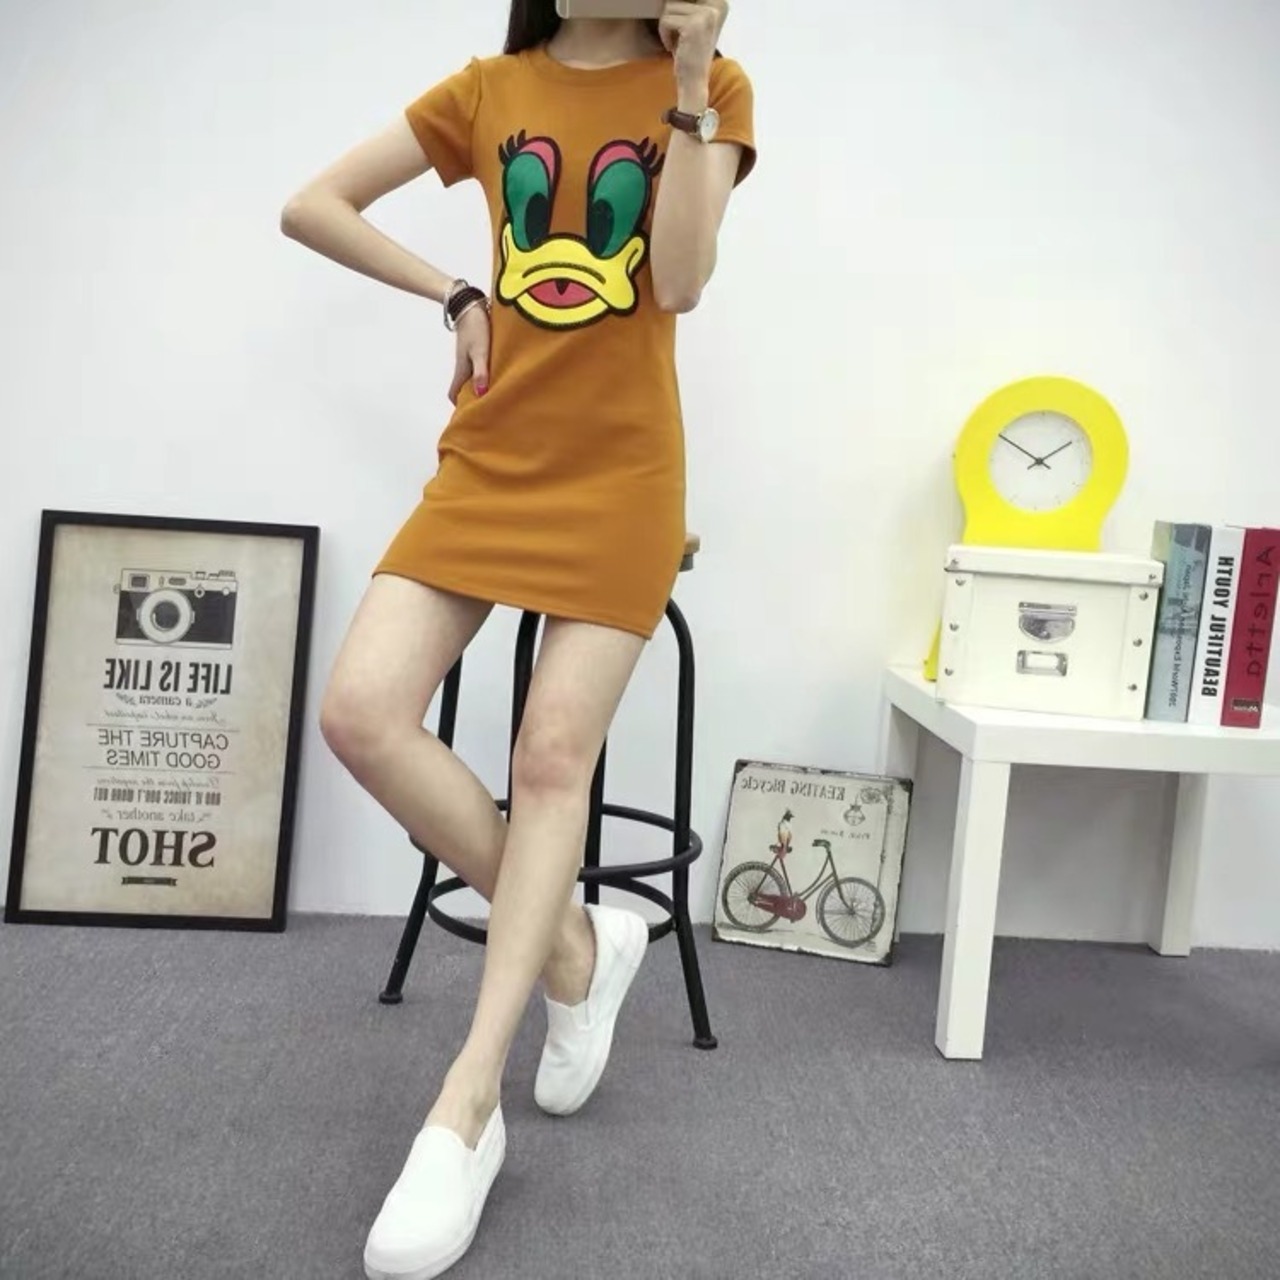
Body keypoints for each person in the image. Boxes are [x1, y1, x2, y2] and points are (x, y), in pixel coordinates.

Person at [281, 1, 754, 1275]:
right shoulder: (488, 87)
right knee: (359, 711)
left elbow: (679, 282)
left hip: (622, 476)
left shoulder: (713, 87)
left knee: (552, 757)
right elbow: (312, 205)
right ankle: (576, 945)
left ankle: (467, 1102)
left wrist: (689, 80)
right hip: (492, 456)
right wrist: (452, 292)